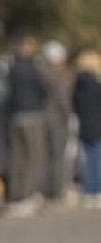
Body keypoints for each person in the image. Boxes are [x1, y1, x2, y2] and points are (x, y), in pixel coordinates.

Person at [4, 32, 49, 217]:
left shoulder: (11, 67)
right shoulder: (34, 67)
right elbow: (44, 89)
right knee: (34, 157)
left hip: (15, 116)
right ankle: (28, 195)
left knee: (17, 158)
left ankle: (15, 197)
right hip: (33, 115)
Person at [40, 40, 74, 204]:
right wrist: (69, 115)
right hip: (58, 119)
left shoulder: (42, 72)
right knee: (59, 154)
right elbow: (63, 98)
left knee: (46, 155)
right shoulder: (62, 74)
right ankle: (58, 189)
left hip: (44, 118)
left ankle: (47, 188)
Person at [72, 49, 101, 208]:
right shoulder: (96, 86)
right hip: (97, 126)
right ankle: (97, 190)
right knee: (97, 161)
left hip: (84, 126)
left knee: (88, 161)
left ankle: (90, 190)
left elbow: (75, 106)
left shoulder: (78, 86)